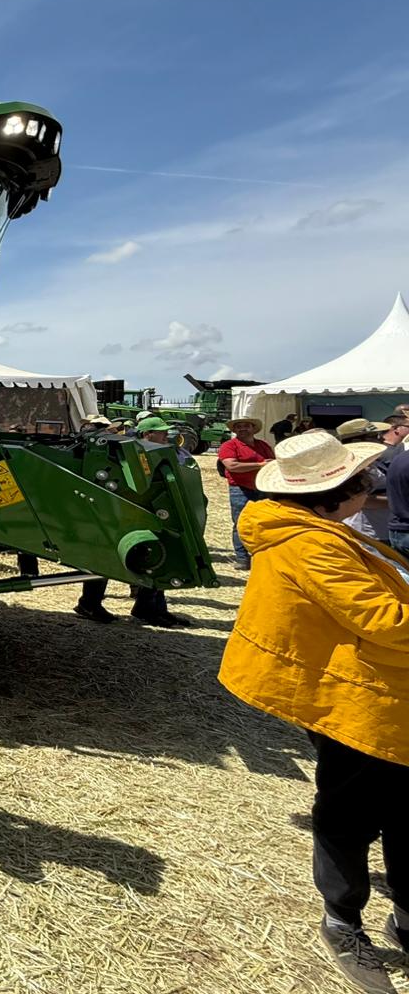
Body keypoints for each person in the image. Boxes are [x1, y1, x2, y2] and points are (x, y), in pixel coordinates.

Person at [218, 432, 409, 992]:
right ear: (338, 492)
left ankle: (404, 916)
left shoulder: (320, 530)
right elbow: (383, 621)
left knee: (402, 808)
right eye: (364, 479)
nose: (373, 486)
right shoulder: (310, 545)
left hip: (382, 691)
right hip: (355, 698)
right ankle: (343, 923)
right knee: (349, 814)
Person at [217, 416, 274, 570]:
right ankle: (242, 558)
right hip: (240, 489)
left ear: (253, 429)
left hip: (263, 488)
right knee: (241, 523)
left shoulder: (263, 445)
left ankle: (260, 556)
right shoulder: (229, 446)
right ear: (234, 430)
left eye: (246, 426)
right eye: (239, 426)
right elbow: (232, 466)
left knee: (263, 523)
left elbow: (273, 462)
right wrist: (260, 465)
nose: (242, 428)